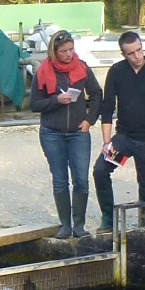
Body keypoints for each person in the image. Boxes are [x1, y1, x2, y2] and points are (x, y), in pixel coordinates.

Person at [93, 30, 145, 230]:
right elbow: (107, 108)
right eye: (131, 53)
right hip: (123, 139)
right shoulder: (117, 71)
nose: (137, 56)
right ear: (124, 54)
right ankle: (108, 218)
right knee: (101, 170)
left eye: (139, 50)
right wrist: (107, 142)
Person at [27, 30, 102, 238]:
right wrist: (55, 101)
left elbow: (96, 93)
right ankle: (65, 225)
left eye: (71, 50)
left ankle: (79, 225)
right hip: (52, 132)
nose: (69, 54)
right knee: (60, 180)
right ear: (54, 51)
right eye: (63, 51)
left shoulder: (82, 68)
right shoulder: (43, 71)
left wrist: (90, 120)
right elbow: (34, 104)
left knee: (81, 179)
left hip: (78, 132)